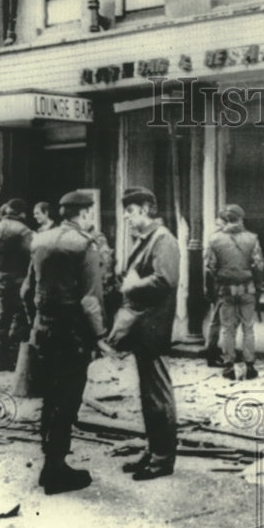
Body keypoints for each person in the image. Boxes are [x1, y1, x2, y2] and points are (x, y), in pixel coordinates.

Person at [21, 191, 106, 495]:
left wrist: (38, 318)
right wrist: (99, 336)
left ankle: (49, 464)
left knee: (50, 397)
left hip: (43, 329)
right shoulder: (84, 245)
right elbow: (90, 299)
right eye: (90, 214)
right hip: (72, 334)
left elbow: (26, 290)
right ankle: (56, 470)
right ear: (83, 214)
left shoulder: (40, 240)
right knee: (68, 399)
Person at [109, 187, 180, 481]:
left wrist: (131, 285)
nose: (126, 216)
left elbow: (166, 280)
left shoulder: (164, 240)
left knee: (158, 397)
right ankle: (154, 452)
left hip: (153, 328)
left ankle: (162, 460)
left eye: (130, 211)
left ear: (147, 209)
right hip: (144, 329)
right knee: (150, 397)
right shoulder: (149, 240)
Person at [204, 204, 264, 381]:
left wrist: (212, 289)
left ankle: (229, 367)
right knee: (248, 328)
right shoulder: (252, 238)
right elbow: (259, 266)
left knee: (228, 329)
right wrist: (258, 288)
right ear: (241, 218)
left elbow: (209, 269)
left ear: (226, 219)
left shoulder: (214, 240)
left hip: (225, 289)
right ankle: (250, 367)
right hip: (248, 288)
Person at [0, 198, 33, 371]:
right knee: (21, 317)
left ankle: (0, 357)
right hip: (20, 278)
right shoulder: (23, 231)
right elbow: (32, 256)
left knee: (3, 316)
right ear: (22, 213)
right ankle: (15, 357)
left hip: (2, 277)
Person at [201, 211, 228, 366]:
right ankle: (218, 355)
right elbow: (209, 268)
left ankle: (213, 354)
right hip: (221, 287)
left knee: (217, 322)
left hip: (219, 286)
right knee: (221, 322)